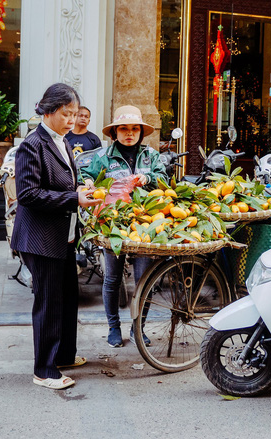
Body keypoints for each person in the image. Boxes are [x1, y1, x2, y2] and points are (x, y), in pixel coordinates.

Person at [11, 83, 101, 390]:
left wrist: (79, 191)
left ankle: (63, 355)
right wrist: (74, 199)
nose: (72, 120)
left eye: (75, 114)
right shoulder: (33, 145)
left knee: (67, 298)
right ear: (48, 111)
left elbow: (63, 184)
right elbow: (28, 194)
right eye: (67, 113)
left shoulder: (62, 141)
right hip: (40, 238)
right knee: (49, 302)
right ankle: (45, 370)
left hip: (63, 235)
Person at [79, 105, 167, 348]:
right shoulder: (102, 157)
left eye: (135, 129)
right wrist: (88, 182)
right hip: (113, 224)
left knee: (144, 279)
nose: (130, 133)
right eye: (124, 129)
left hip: (145, 224)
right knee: (113, 278)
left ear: (141, 132)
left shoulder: (151, 156)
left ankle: (139, 328)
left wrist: (148, 179)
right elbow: (84, 176)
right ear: (114, 132)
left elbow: (165, 180)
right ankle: (113, 328)